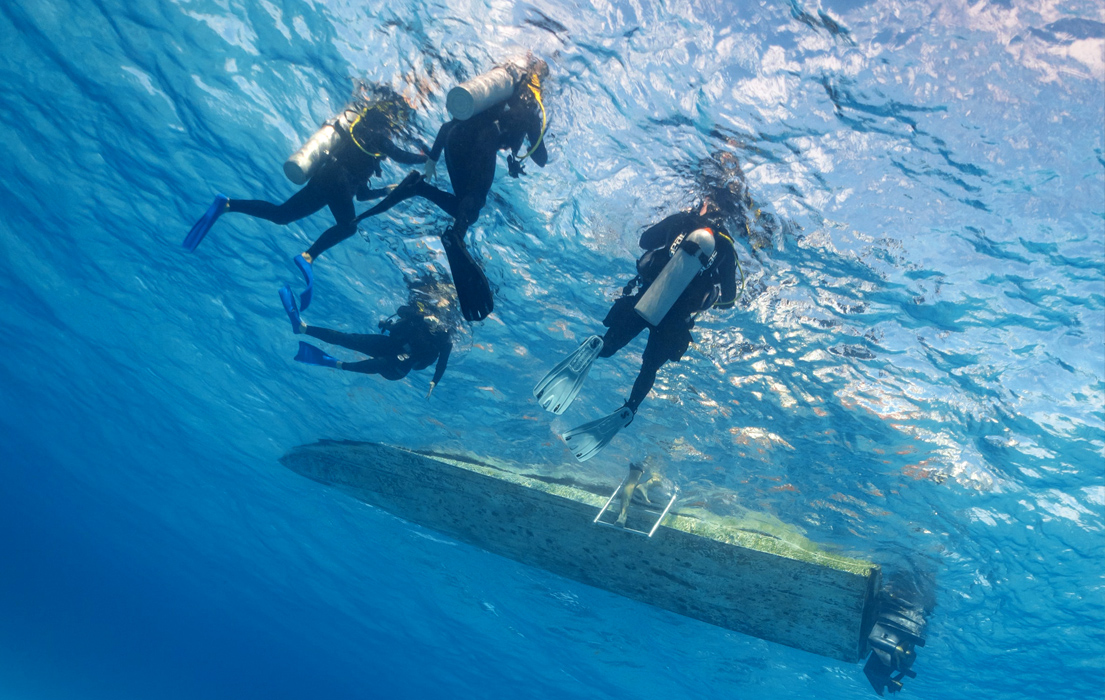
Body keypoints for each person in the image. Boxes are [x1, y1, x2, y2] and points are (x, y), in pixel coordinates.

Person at [183, 85, 428, 310]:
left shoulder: (367, 144)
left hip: (327, 179)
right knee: (348, 227)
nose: (396, 129)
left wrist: (388, 191)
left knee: (282, 215)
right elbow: (400, 156)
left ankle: (227, 204)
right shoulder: (376, 134)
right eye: (395, 123)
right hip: (337, 181)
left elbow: (362, 195)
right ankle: (308, 256)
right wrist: (428, 158)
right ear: (387, 119)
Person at [533, 199, 741, 461]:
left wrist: (673, 232)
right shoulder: (725, 246)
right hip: (675, 322)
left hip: (647, 297)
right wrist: (710, 288)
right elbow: (730, 300)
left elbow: (645, 241)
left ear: (703, 203)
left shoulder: (682, 220)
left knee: (609, 348)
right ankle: (631, 407)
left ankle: (598, 345)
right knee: (648, 368)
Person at [350, 60, 550, 321]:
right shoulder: (530, 107)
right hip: (482, 139)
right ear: (540, 83)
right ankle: (455, 234)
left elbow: (446, 126)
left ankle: (420, 189)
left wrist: (432, 160)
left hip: (453, 136)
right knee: (474, 201)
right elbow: (542, 159)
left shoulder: (490, 99)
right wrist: (536, 128)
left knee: (463, 203)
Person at [277, 277, 454, 396]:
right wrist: (421, 316)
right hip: (391, 344)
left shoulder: (445, 337)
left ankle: (339, 365)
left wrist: (434, 382)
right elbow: (402, 311)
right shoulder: (422, 312)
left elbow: (442, 364)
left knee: (380, 363)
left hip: (400, 366)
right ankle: (302, 328)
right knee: (347, 339)